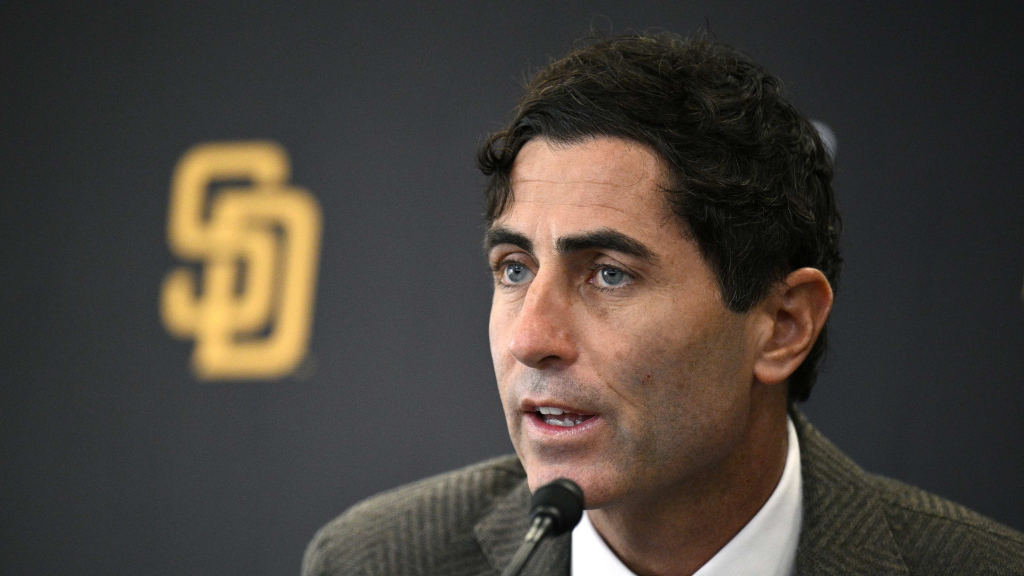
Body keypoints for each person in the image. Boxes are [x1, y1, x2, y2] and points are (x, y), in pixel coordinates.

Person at [302, 33, 1024, 576]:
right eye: (515, 269)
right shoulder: (376, 560)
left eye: (609, 275)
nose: (530, 337)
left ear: (783, 325)